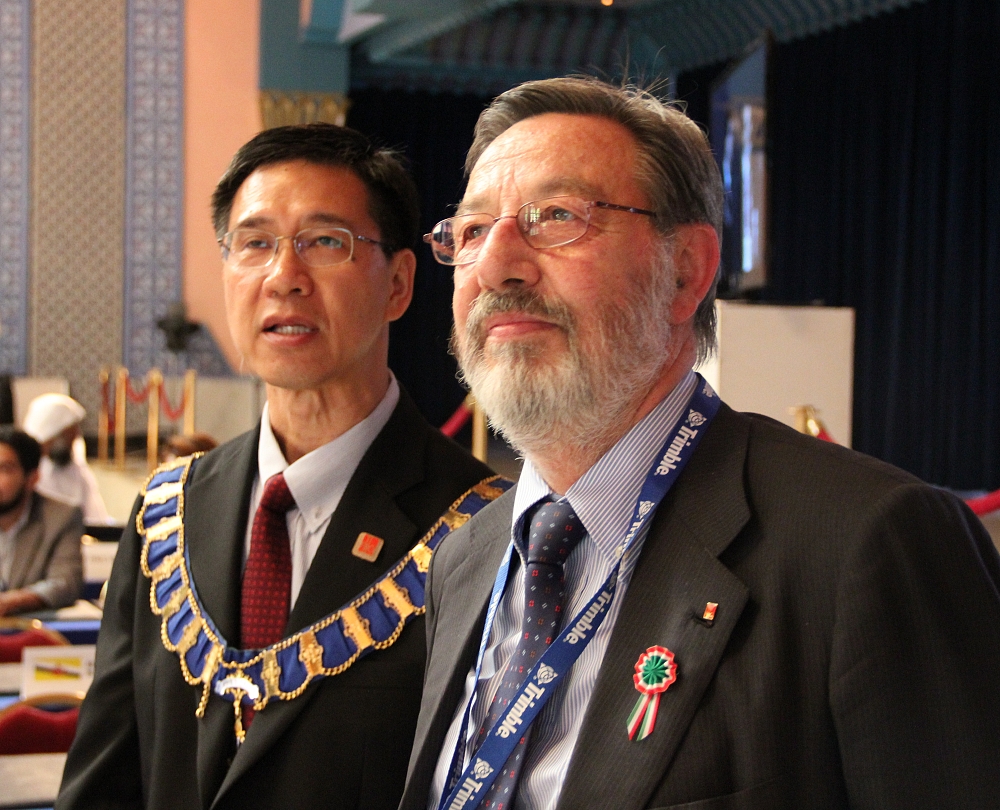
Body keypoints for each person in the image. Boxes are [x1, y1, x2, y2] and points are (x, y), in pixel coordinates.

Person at [400, 77, 1000, 810]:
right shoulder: (464, 560)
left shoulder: (864, 543)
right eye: (470, 231)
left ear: (686, 271)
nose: (497, 265)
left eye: (556, 217)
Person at [58, 123, 497, 810]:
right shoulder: (167, 515)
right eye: (255, 244)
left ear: (399, 284)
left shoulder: (482, 530)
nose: (283, 277)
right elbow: (105, 782)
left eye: (325, 242)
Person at [0, 426, 83, 615]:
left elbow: (64, 583)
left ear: (32, 478)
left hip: (28, 627)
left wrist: (10, 602)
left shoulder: (61, 518)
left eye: (5, 469)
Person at [22, 393, 112, 525]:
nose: (75, 440)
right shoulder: (24, 474)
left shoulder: (75, 467)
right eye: (69, 435)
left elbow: (96, 518)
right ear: (53, 434)